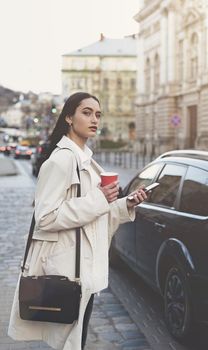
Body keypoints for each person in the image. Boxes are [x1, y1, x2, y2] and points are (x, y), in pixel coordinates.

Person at [8, 92, 147, 350]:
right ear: (69, 118)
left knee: (77, 342)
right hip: (68, 272)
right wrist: (98, 199)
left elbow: (94, 215)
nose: (94, 119)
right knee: (72, 344)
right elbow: (46, 218)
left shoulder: (86, 160)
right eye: (86, 112)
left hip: (85, 272)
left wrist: (124, 204)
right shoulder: (61, 161)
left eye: (98, 114)